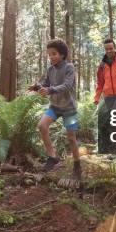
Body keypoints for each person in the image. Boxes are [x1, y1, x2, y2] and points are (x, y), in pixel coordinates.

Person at [28, 39, 81, 182]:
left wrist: (50, 90)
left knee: (71, 138)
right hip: (55, 107)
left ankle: (77, 166)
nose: (51, 57)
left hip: (69, 109)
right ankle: (53, 157)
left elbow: (67, 85)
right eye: (49, 55)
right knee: (41, 126)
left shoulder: (69, 67)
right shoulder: (50, 69)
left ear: (62, 55)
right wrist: (37, 87)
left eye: (54, 54)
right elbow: (46, 84)